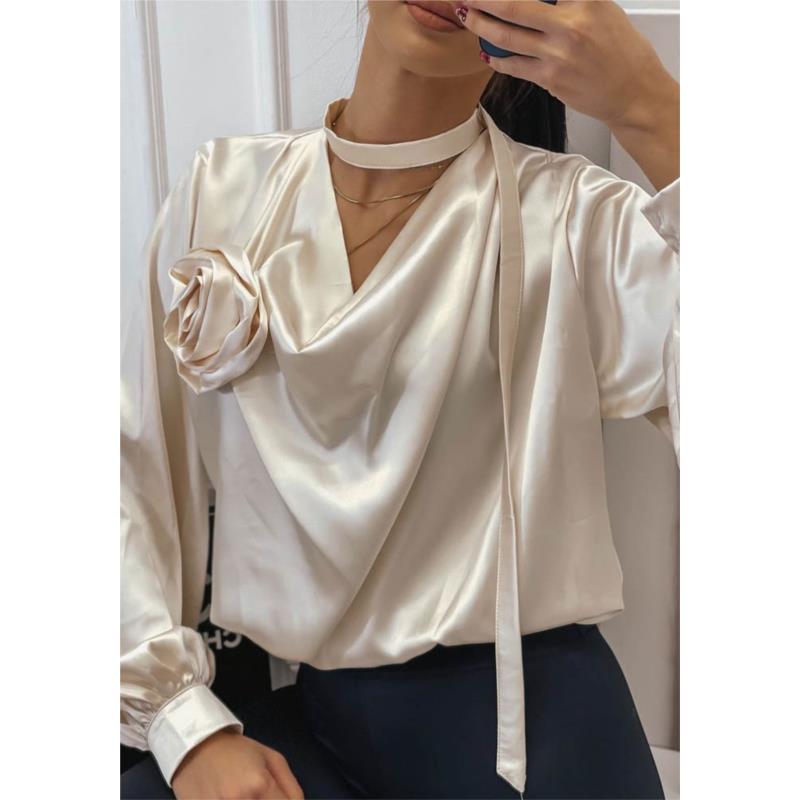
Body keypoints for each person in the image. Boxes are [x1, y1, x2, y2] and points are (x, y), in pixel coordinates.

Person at [121, 1, 679, 798]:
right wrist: (184, 726)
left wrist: (651, 106)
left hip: (538, 733)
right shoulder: (225, 190)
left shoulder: (580, 221)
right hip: (315, 729)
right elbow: (129, 472)